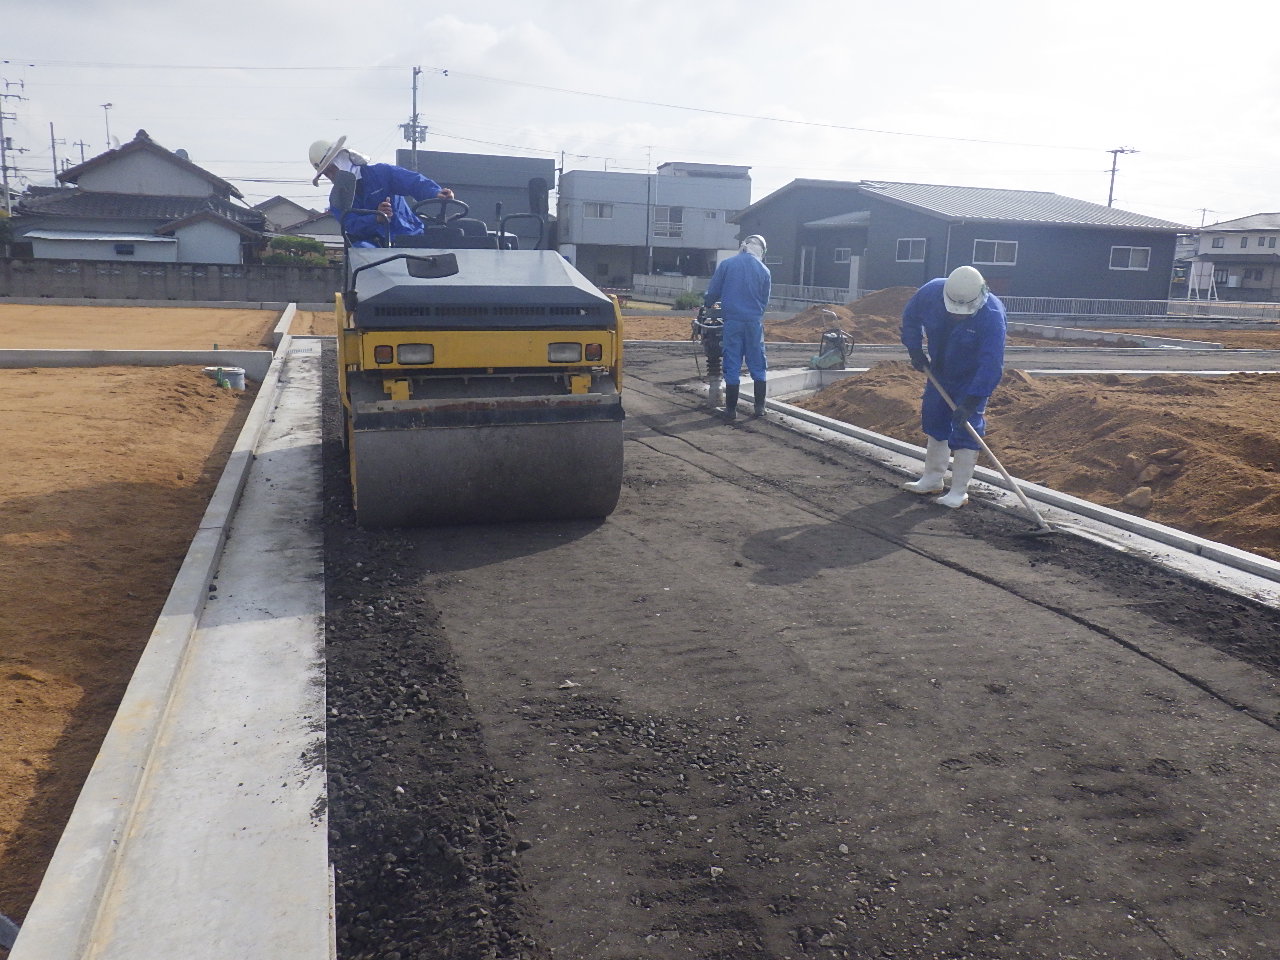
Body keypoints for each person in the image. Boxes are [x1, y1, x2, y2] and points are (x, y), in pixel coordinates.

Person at [899, 264, 1007, 508]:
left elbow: (991, 362)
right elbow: (910, 318)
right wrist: (914, 348)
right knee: (935, 418)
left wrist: (972, 400)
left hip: (971, 376)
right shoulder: (931, 293)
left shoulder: (991, 315)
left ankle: (959, 491)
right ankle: (932, 479)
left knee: (965, 427)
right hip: (939, 369)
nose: (958, 314)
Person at [309, 136, 454, 247]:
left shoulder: (383, 173)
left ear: (341, 159)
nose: (331, 176)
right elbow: (350, 225)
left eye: (331, 169)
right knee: (361, 252)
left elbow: (413, 181)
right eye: (326, 173)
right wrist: (376, 218)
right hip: (374, 249)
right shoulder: (337, 199)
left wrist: (435, 192)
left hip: (410, 236)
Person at [702, 234, 772, 421]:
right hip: (754, 323)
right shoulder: (764, 270)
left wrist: (708, 303)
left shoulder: (727, 265)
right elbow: (764, 301)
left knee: (732, 362)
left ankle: (731, 410)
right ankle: (759, 407)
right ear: (761, 250)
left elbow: (713, 292)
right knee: (758, 363)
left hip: (732, 321)